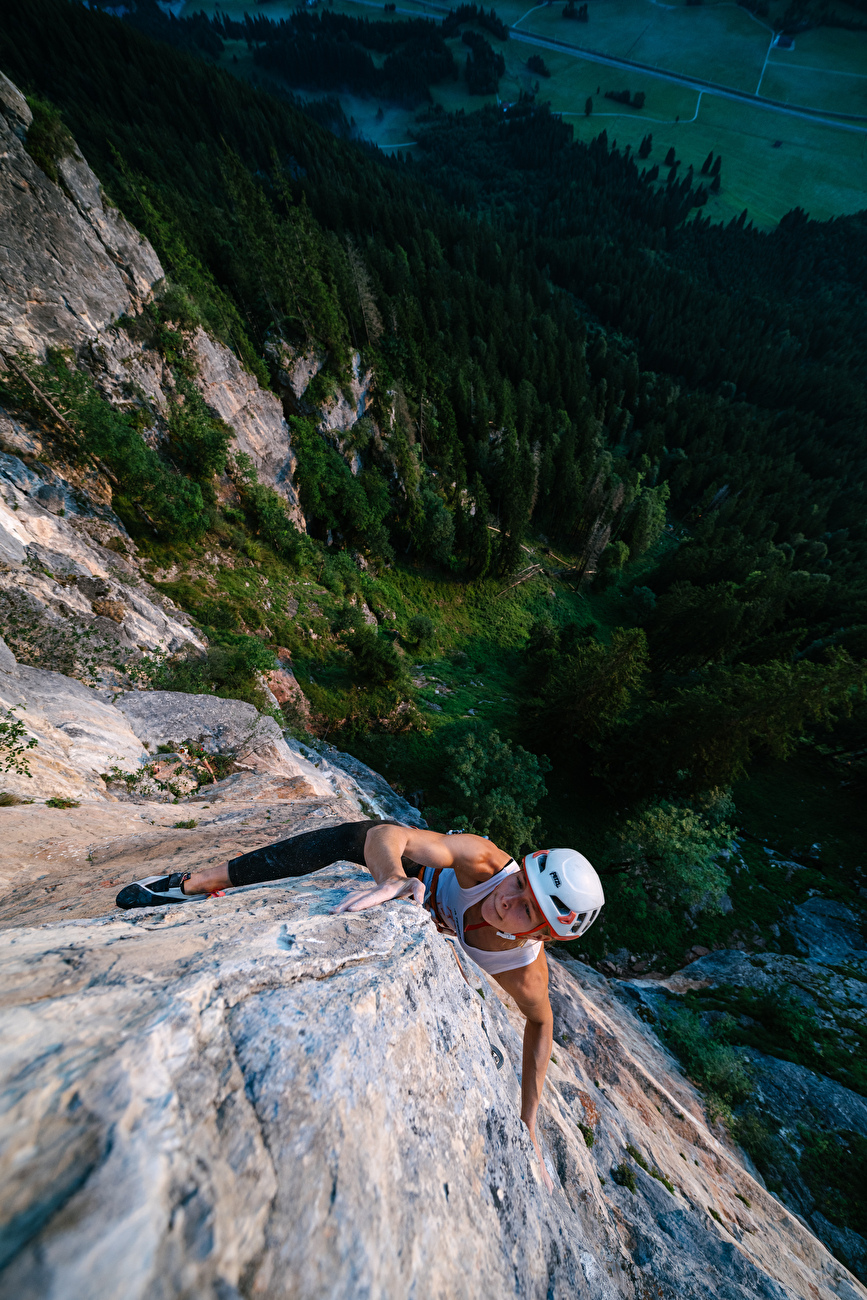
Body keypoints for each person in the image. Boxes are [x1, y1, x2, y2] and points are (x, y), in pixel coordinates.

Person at [116, 818, 605, 1191]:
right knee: (353, 835)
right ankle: (193, 883)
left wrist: (530, 1117)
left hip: (428, 913)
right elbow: (388, 834)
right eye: (521, 885)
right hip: (417, 879)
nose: (508, 898)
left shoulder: (524, 970)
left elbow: (541, 1025)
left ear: (544, 934)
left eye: (527, 910)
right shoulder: (484, 863)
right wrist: (392, 878)